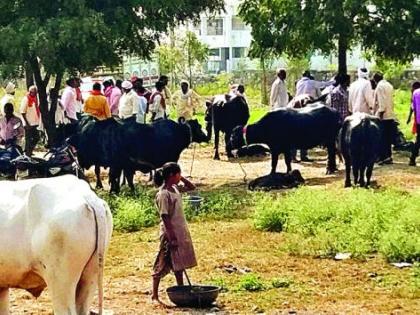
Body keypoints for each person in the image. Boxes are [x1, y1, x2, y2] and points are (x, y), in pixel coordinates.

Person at [151, 162, 197, 304]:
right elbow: (164, 217)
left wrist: (181, 178)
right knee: (163, 262)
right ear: (172, 175)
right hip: (170, 233)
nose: (180, 176)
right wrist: (171, 237)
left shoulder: (175, 189)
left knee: (179, 262)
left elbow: (192, 187)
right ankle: (154, 295)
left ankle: (181, 289)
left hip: (180, 230)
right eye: (178, 174)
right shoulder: (163, 194)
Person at [373, 72, 396, 165]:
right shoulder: (389, 85)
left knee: (381, 138)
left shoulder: (379, 87)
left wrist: (380, 115)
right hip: (390, 114)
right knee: (388, 138)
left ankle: (382, 157)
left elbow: (381, 103)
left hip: (383, 116)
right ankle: (388, 156)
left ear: (375, 79)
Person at [20, 85, 40, 156]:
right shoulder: (26, 99)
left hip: (34, 123)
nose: (34, 94)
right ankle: (26, 154)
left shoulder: (35, 99)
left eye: (35, 92)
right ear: (30, 92)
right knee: (28, 139)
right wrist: (27, 123)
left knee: (36, 137)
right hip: (28, 123)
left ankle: (29, 151)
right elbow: (22, 112)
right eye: (33, 92)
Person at [408, 81, 420, 166]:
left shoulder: (416, 93)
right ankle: (412, 158)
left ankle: (412, 158)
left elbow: (413, 107)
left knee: (418, 139)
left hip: (419, 120)